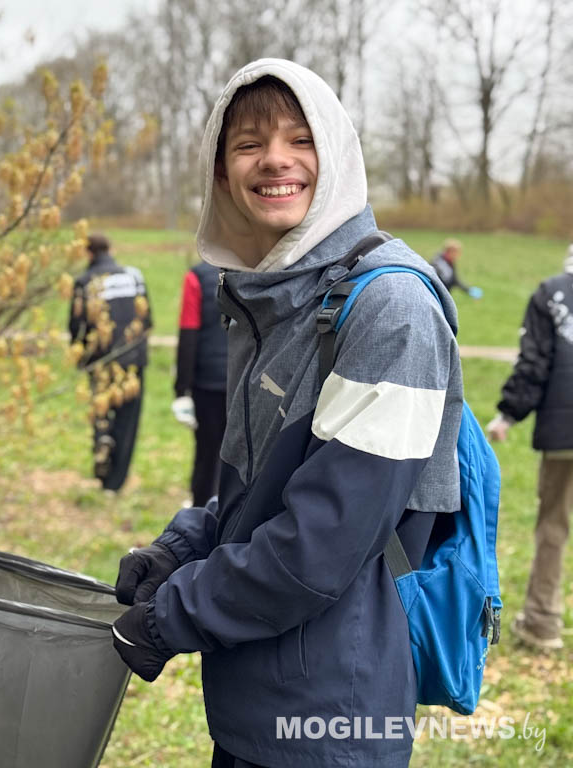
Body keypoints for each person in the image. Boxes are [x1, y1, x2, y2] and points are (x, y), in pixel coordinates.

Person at [109, 59, 465, 768]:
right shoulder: (278, 298)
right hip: (257, 703)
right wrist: (183, 546)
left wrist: (175, 614)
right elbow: (260, 494)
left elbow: (317, 549)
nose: (274, 159)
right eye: (247, 144)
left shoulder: (390, 312)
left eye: (300, 139)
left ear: (335, 153)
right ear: (220, 172)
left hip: (329, 720)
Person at [486, 244, 573, 651]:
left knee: (554, 527)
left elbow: (534, 362)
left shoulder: (551, 293)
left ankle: (542, 623)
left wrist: (507, 415)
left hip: (563, 435)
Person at [68, 234, 152, 491]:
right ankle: (116, 481)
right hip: (134, 360)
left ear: (88, 254)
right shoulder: (134, 277)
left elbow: (76, 326)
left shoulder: (85, 282)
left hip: (101, 360)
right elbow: (147, 320)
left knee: (102, 412)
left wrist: (81, 357)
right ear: (110, 249)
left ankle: (103, 446)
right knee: (128, 418)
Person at [172, 259, 228, 507]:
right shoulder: (258, 266)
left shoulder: (197, 276)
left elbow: (188, 332)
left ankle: (202, 509)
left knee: (207, 453)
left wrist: (181, 387)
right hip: (249, 377)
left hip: (209, 381)